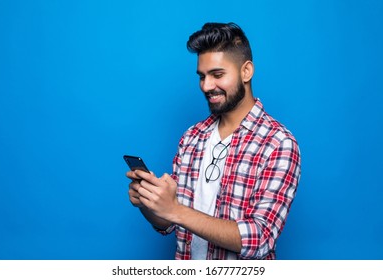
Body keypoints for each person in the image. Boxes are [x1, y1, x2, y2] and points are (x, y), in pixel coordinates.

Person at [126, 22, 301, 260]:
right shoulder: (192, 138)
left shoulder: (278, 144)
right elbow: (169, 223)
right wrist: (150, 204)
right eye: (202, 76)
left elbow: (260, 238)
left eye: (217, 74)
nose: (207, 86)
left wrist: (175, 210)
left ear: (246, 71)